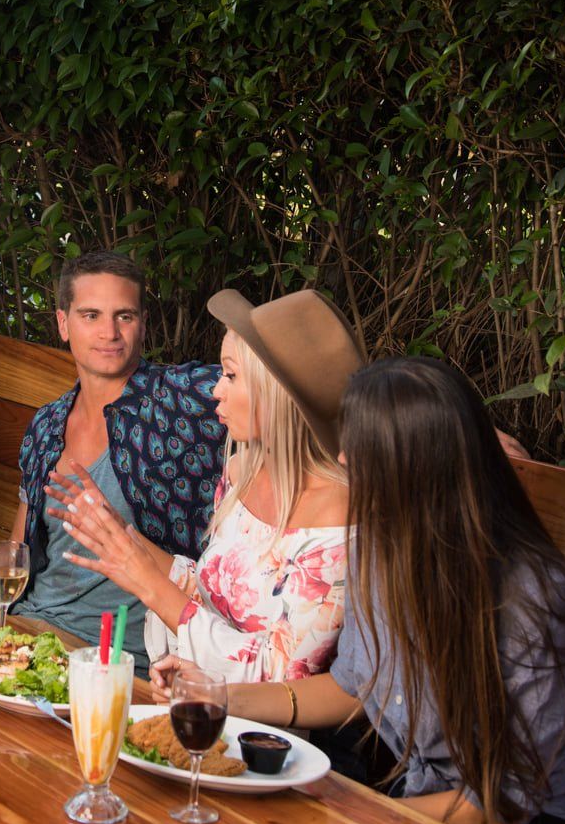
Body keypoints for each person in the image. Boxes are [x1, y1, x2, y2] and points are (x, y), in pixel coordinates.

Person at [159, 355, 565, 824]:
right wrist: (219, 696)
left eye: (359, 450)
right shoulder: (387, 549)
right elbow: (351, 687)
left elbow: (497, 808)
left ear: (416, 465)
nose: (344, 462)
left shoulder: (531, 595)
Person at [0, 250, 224, 664]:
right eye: (91, 315)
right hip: (29, 635)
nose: (109, 332)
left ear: (143, 324)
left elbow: (270, 383)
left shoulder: (180, 401)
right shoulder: (47, 426)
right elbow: (16, 560)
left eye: (124, 316)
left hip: (121, 660)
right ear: (63, 324)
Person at [51, 287, 362, 682]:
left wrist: (149, 585)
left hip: (248, 719)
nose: (216, 390)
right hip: (189, 693)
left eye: (231, 375)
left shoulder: (339, 520)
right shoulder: (241, 472)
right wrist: (121, 536)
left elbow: (279, 673)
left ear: (276, 392)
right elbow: (214, 596)